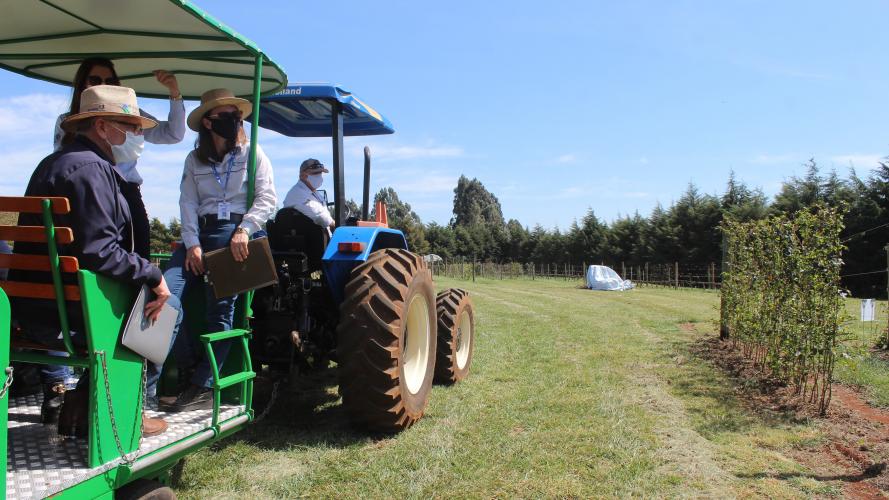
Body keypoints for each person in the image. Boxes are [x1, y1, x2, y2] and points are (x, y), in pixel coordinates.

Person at [11, 85, 177, 437]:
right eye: (130, 126)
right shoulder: (92, 170)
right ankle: (127, 411)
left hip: (32, 309)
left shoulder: (54, 163)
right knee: (166, 309)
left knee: (143, 305)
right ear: (102, 126)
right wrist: (152, 274)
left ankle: (83, 404)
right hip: (69, 316)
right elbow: (99, 251)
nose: (137, 135)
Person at [160, 88, 276, 412]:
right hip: (200, 233)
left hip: (235, 233)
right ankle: (185, 365)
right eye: (226, 116)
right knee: (166, 296)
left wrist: (244, 230)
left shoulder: (254, 153)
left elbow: (267, 198)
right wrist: (192, 245)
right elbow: (188, 203)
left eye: (236, 115)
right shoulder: (193, 159)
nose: (235, 121)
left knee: (220, 309)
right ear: (209, 123)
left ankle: (204, 384)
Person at [54, 57, 186, 258]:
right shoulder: (66, 122)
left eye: (111, 82)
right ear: (82, 85)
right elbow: (62, 165)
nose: (104, 86)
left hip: (127, 194)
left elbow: (173, 134)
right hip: (88, 196)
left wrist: (175, 93)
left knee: (138, 253)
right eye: (95, 80)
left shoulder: (130, 113)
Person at [282, 158, 335, 235]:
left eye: (320, 173)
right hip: (308, 243)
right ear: (302, 175)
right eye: (315, 173)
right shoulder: (297, 192)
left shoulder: (315, 193)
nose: (319, 176)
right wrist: (336, 224)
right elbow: (320, 217)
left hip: (319, 239)